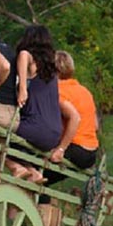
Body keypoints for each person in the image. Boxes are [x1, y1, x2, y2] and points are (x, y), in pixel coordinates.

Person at [4, 25, 63, 183]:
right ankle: (32, 172)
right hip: (54, 134)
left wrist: (22, 88)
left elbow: (23, 54)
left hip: (37, 128)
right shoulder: (51, 72)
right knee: (17, 147)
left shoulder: (30, 62)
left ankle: (20, 169)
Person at [44, 50, 100, 182]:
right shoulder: (84, 90)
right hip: (91, 152)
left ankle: (41, 201)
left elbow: (75, 118)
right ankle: (42, 202)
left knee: (35, 172)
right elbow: (95, 125)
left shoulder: (58, 91)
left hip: (75, 149)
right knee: (43, 178)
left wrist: (61, 148)